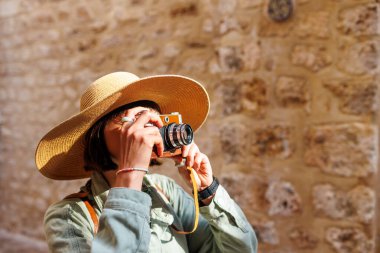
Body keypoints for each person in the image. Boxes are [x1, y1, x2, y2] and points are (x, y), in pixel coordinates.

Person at [35, 71, 258, 253]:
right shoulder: (69, 215)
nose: (149, 129)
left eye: (154, 120)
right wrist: (130, 172)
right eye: (136, 121)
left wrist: (207, 191)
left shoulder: (165, 191)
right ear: (97, 135)